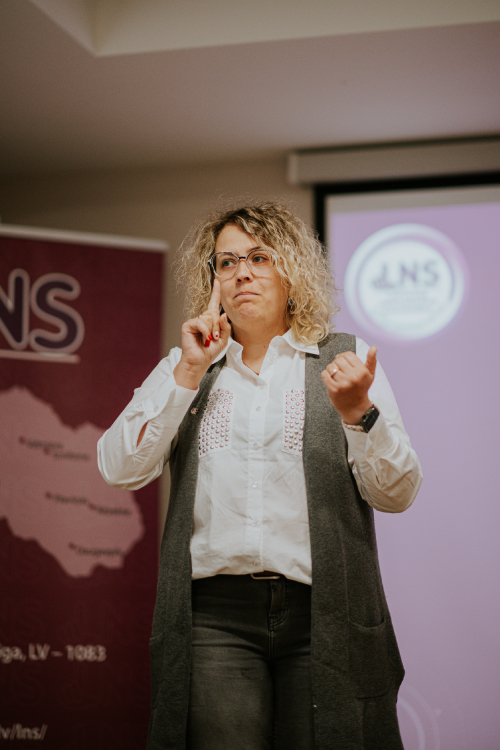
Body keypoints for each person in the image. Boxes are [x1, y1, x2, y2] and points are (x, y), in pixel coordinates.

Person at [97, 202, 422, 750]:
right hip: (213, 619)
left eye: (259, 257)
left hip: (324, 613)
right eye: (226, 263)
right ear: (213, 281)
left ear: (291, 269)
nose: (241, 273)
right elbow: (119, 468)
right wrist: (189, 370)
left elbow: (398, 494)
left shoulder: (346, 358)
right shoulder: (187, 362)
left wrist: (359, 414)